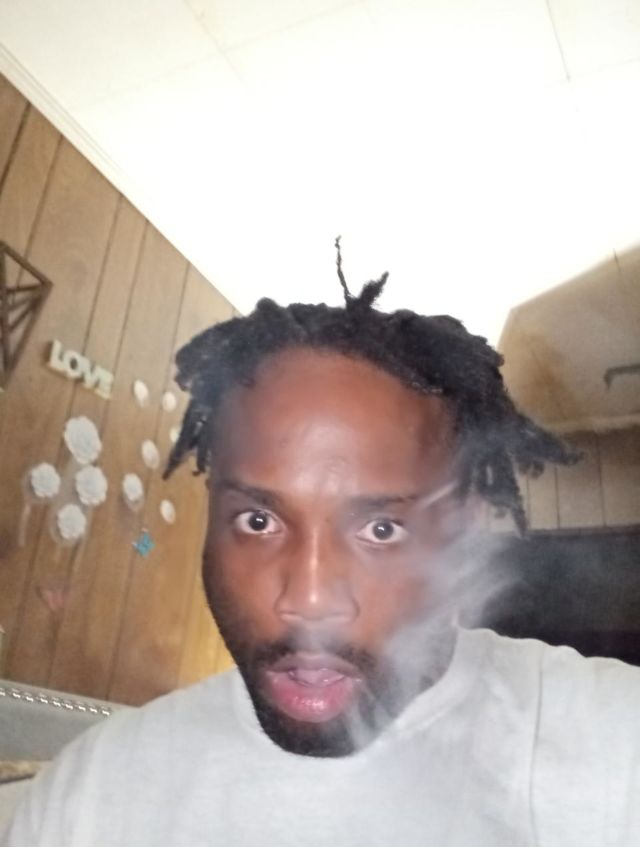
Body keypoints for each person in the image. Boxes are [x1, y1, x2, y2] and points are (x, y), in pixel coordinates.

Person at [3, 245, 640, 846]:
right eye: (258, 521)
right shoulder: (92, 795)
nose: (308, 599)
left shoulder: (611, 744)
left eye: (381, 530)